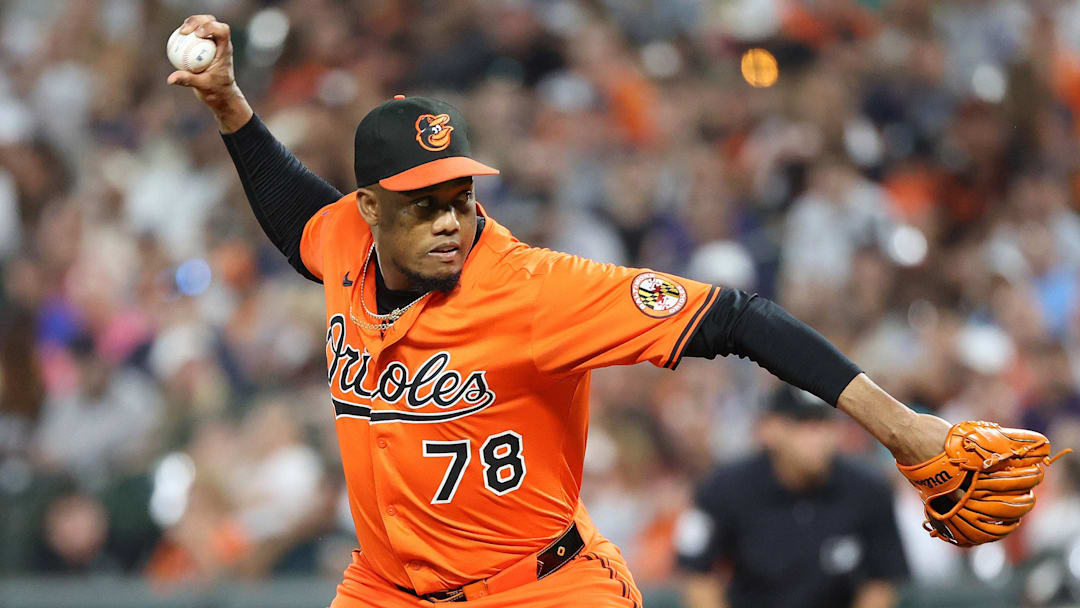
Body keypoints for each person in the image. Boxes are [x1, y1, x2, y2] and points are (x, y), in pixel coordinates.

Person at [167, 14, 953, 608]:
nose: (449, 222)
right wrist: (232, 108)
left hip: (539, 589)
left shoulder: (535, 290)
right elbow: (296, 215)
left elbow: (739, 316)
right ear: (370, 207)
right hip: (386, 589)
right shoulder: (346, 239)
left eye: (461, 199)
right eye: (423, 206)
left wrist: (905, 428)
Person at [675, 386, 908, 608]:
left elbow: (882, 581)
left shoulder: (868, 489)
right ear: (771, 429)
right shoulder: (724, 486)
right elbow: (696, 574)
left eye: (823, 424)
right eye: (803, 424)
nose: (817, 438)